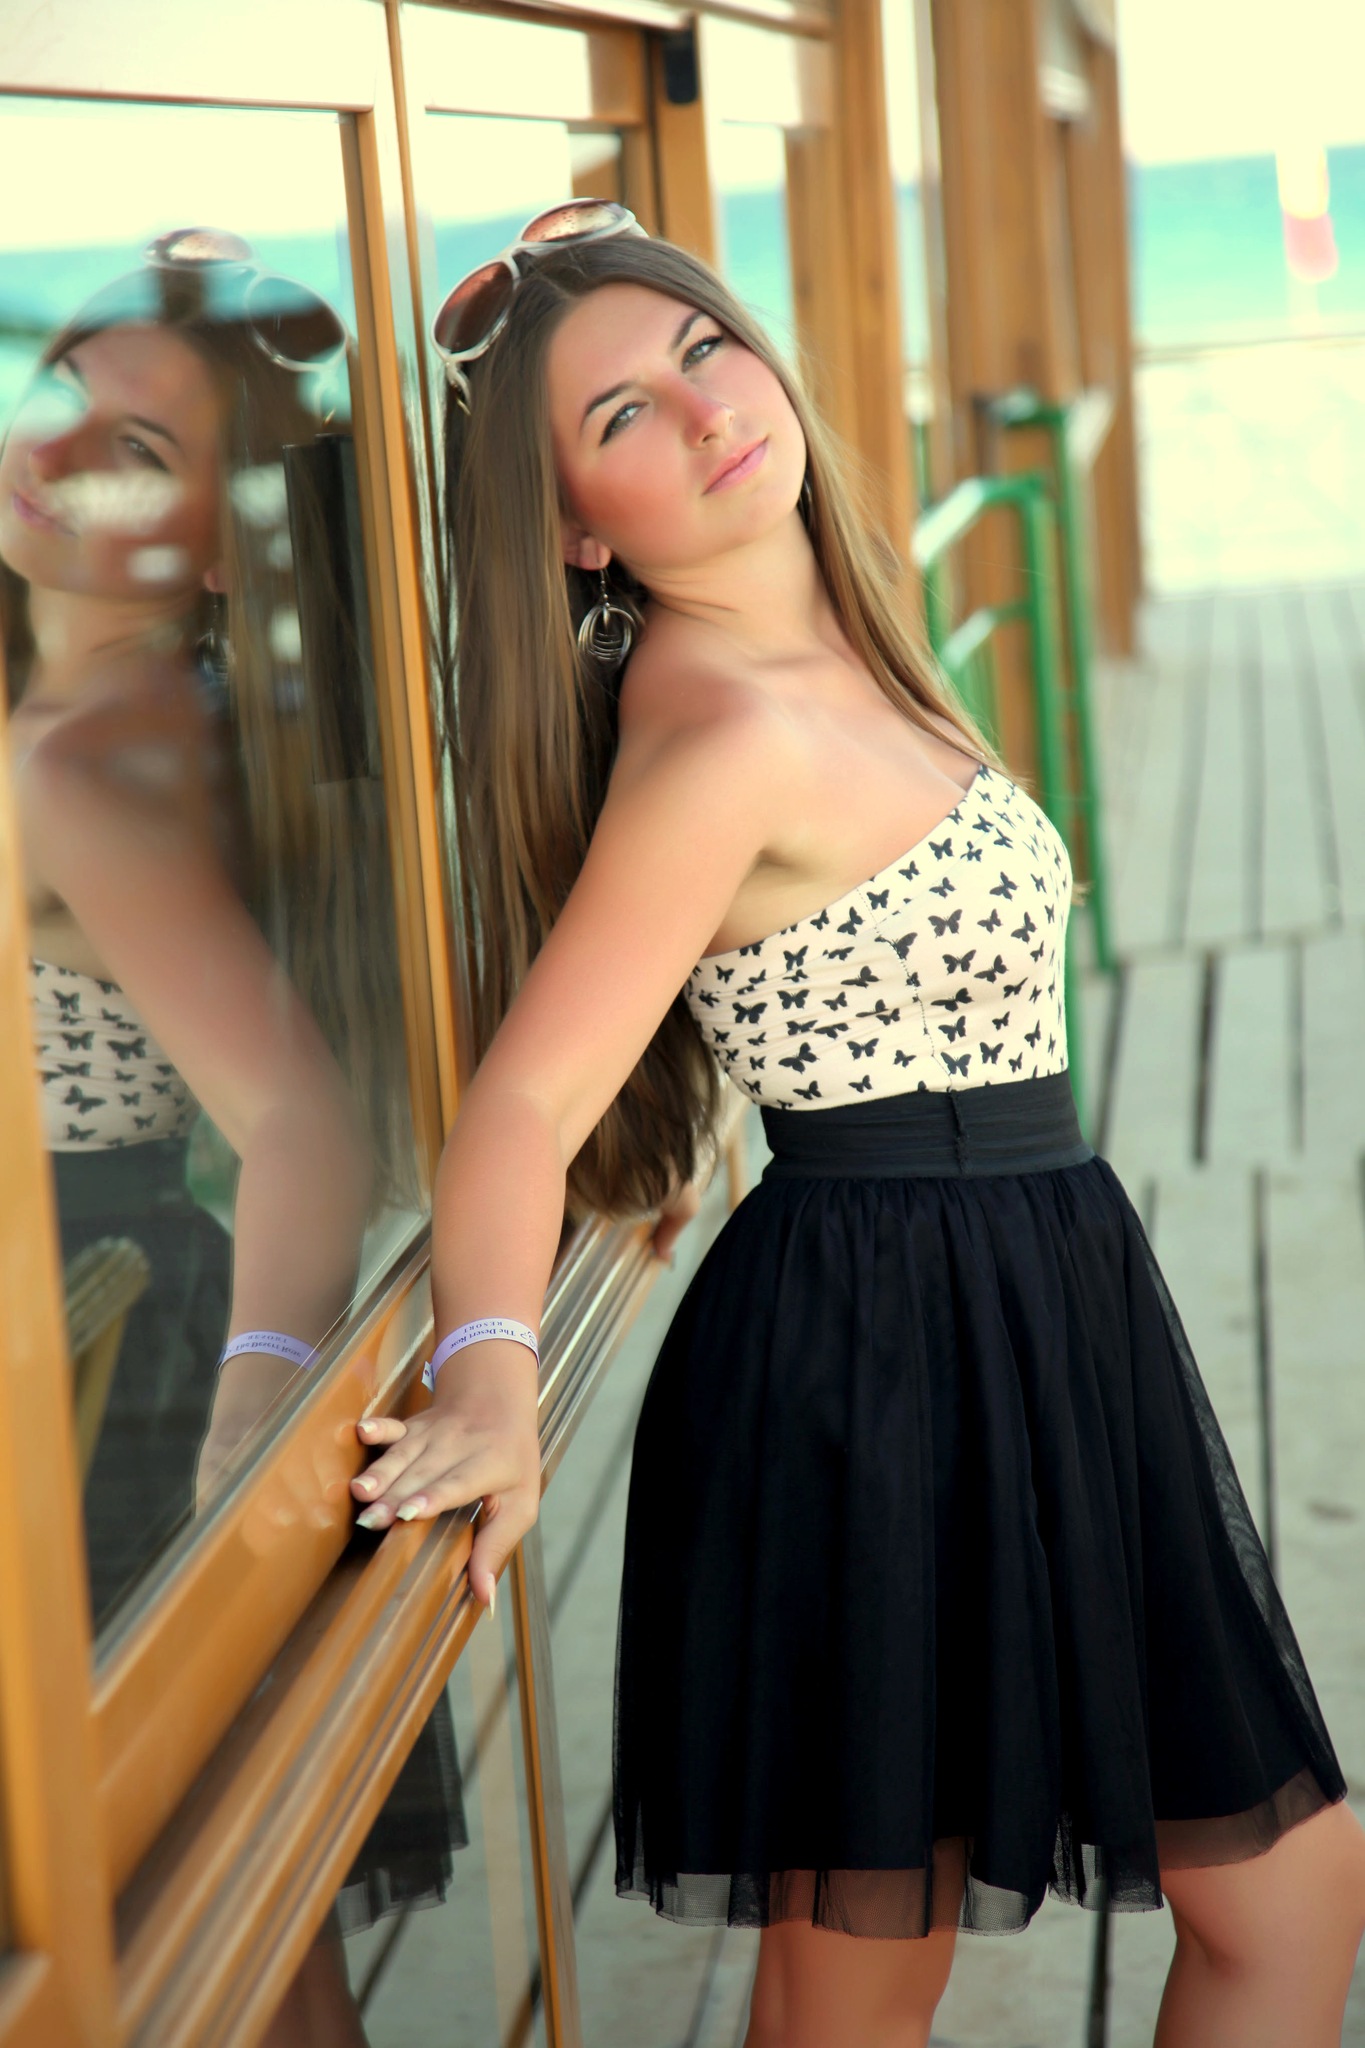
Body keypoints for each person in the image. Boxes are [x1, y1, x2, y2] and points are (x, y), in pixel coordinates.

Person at [350, 204, 1365, 2047]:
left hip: (1041, 1301)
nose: (701, 409)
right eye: (621, 417)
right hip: (879, 1362)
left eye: (702, 351)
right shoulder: (721, 733)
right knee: (867, 1991)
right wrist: (488, 1373)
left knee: (1286, 1892)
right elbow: (520, 1103)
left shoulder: (843, 647)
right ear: (577, 529)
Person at [1, 229, 459, 2046]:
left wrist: (249, 1432)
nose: (50, 454)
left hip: (95, 1346)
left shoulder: (87, 758)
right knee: (230, 1943)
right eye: (60, 395)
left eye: (133, 451)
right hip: (104, 1317)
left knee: (196, 1944)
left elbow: (301, 1121)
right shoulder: (100, 713)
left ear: (215, 549)